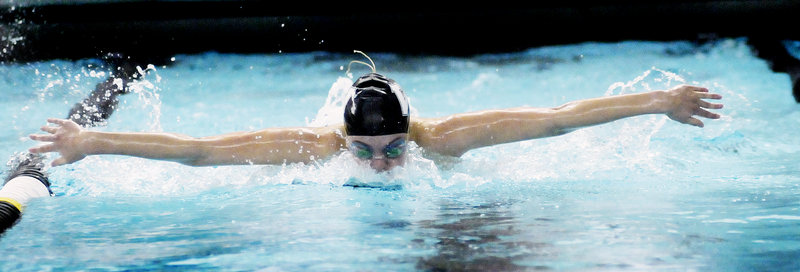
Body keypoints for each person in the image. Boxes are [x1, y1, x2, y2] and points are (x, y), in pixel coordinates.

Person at [27, 56, 724, 173]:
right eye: (372, 152)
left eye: (393, 147)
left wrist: (662, 101)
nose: (386, 162)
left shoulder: (442, 138)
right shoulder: (319, 145)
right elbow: (201, 151)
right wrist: (93, 140)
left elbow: (559, 118)